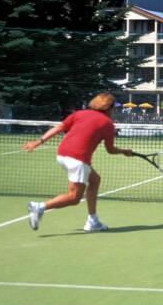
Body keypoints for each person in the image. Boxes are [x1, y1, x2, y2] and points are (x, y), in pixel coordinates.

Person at [21, 92, 133, 232]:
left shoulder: (79, 114)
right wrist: (124, 151)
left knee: (95, 180)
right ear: (108, 108)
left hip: (62, 154)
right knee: (74, 198)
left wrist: (38, 142)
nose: (114, 111)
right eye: (114, 108)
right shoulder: (108, 124)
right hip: (77, 159)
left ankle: (93, 221)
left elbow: (59, 128)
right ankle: (39, 207)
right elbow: (110, 150)